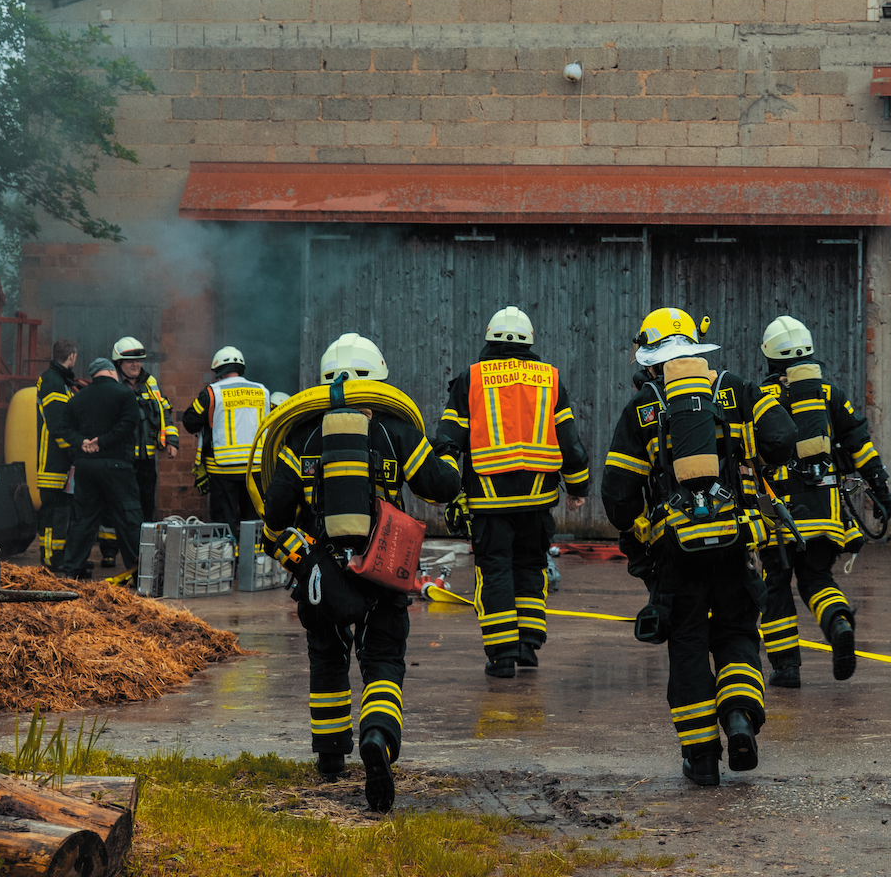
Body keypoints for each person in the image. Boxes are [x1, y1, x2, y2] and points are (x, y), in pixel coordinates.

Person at [261, 333, 461, 811]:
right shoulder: (396, 431)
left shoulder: (299, 436)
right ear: (379, 379)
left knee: (327, 655)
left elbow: (276, 512)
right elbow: (441, 487)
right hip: (383, 564)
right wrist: (449, 453)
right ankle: (377, 736)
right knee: (383, 658)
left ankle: (331, 756)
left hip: (322, 569)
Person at [602, 308, 793, 787]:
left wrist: (644, 534)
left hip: (675, 552)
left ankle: (702, 759)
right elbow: (783, 439)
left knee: (687, 644)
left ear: (650, 359)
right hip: (735, 542)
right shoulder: (735, 387)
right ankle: (740, 716)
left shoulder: (642, 408)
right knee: (736, 632)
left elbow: (618, 498)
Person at [435, 307, 592, 679]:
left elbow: (449, 440)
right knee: (531, 567)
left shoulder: (471, 378)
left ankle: (502, 655)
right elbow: (569, 441)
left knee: (495, 572)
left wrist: (447, 488)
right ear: (529, 342)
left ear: (489, 339)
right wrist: (578, 486)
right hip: (537, 501)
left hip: (489, 501)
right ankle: (528, 647)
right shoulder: (550, 378)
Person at [754, 316, 891, 687]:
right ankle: (838, 623)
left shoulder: (759, 398)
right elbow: (859, 444)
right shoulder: (829, 394)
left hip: (778, 515)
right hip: (823, 512)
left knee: (776, 586)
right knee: (816, 578)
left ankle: (786, 668)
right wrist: (880, 490)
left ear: (769, 356)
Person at [55, 358, 145, 579]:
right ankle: (139, 571)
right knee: (128, 516)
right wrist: (102, 442)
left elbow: (64, 428)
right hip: (117, 466)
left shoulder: (77, 398)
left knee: (83, 519)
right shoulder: (125, 394)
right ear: (112, 372)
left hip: (85, 466)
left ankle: (72, 569)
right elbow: (128, 424)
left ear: (93, 375)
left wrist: (82, 442)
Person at [181, 346, 268, 531]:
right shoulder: (262, 391)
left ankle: (227, 550)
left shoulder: (212, 392)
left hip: (223, 470)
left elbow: (190, 421)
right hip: (256, 468)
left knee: (224, 522)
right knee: (254, 523)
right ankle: (253, 551)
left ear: (218, 371)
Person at [109, 337, 177, 568]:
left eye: (138, 360)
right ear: (118, 363)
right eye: (129, 361)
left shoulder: (151, 384)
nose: (135, 364)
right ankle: (109, 551)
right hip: (122, 457)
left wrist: (172, 441)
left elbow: (165, 412)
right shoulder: (114, 385)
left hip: (146, 458)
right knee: (118, 505)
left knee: (146, 505)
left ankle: (145, 551)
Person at [34, 339, 81, 567]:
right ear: (71, 356)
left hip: (56, 460)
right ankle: (52, 558)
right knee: (55, 511)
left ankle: (53, 556)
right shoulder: (54, 381)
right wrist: (73, 451)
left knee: (57, 510)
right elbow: (58, 425)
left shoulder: (57, 380)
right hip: (53, 461)